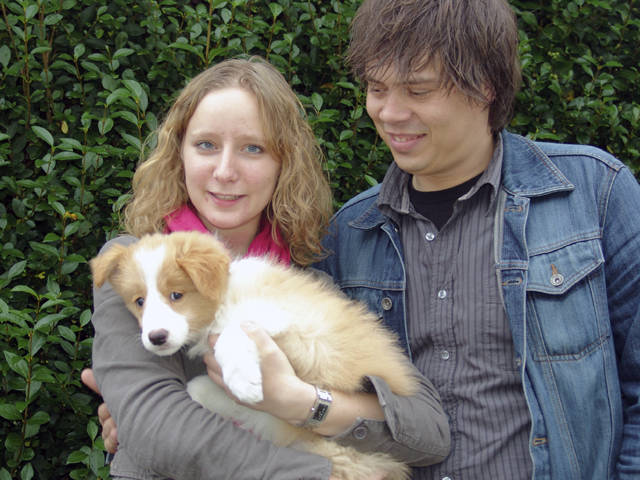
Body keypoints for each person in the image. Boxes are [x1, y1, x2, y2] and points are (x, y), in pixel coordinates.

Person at [312, 0, 640, 479]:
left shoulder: (596, 193)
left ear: (484, 85)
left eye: (418, 90)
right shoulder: (350, 233)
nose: (389, 112)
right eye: (376, 88)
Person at [84, 56, 450, 479]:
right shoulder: (131, 265)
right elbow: (157, 427)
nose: (225, 171)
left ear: (284, 164)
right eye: (205, 145)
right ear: (178, 153)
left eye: (253, 149)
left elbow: (428, 432)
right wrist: (325, 474)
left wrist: (302, 402)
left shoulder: (307, 280)